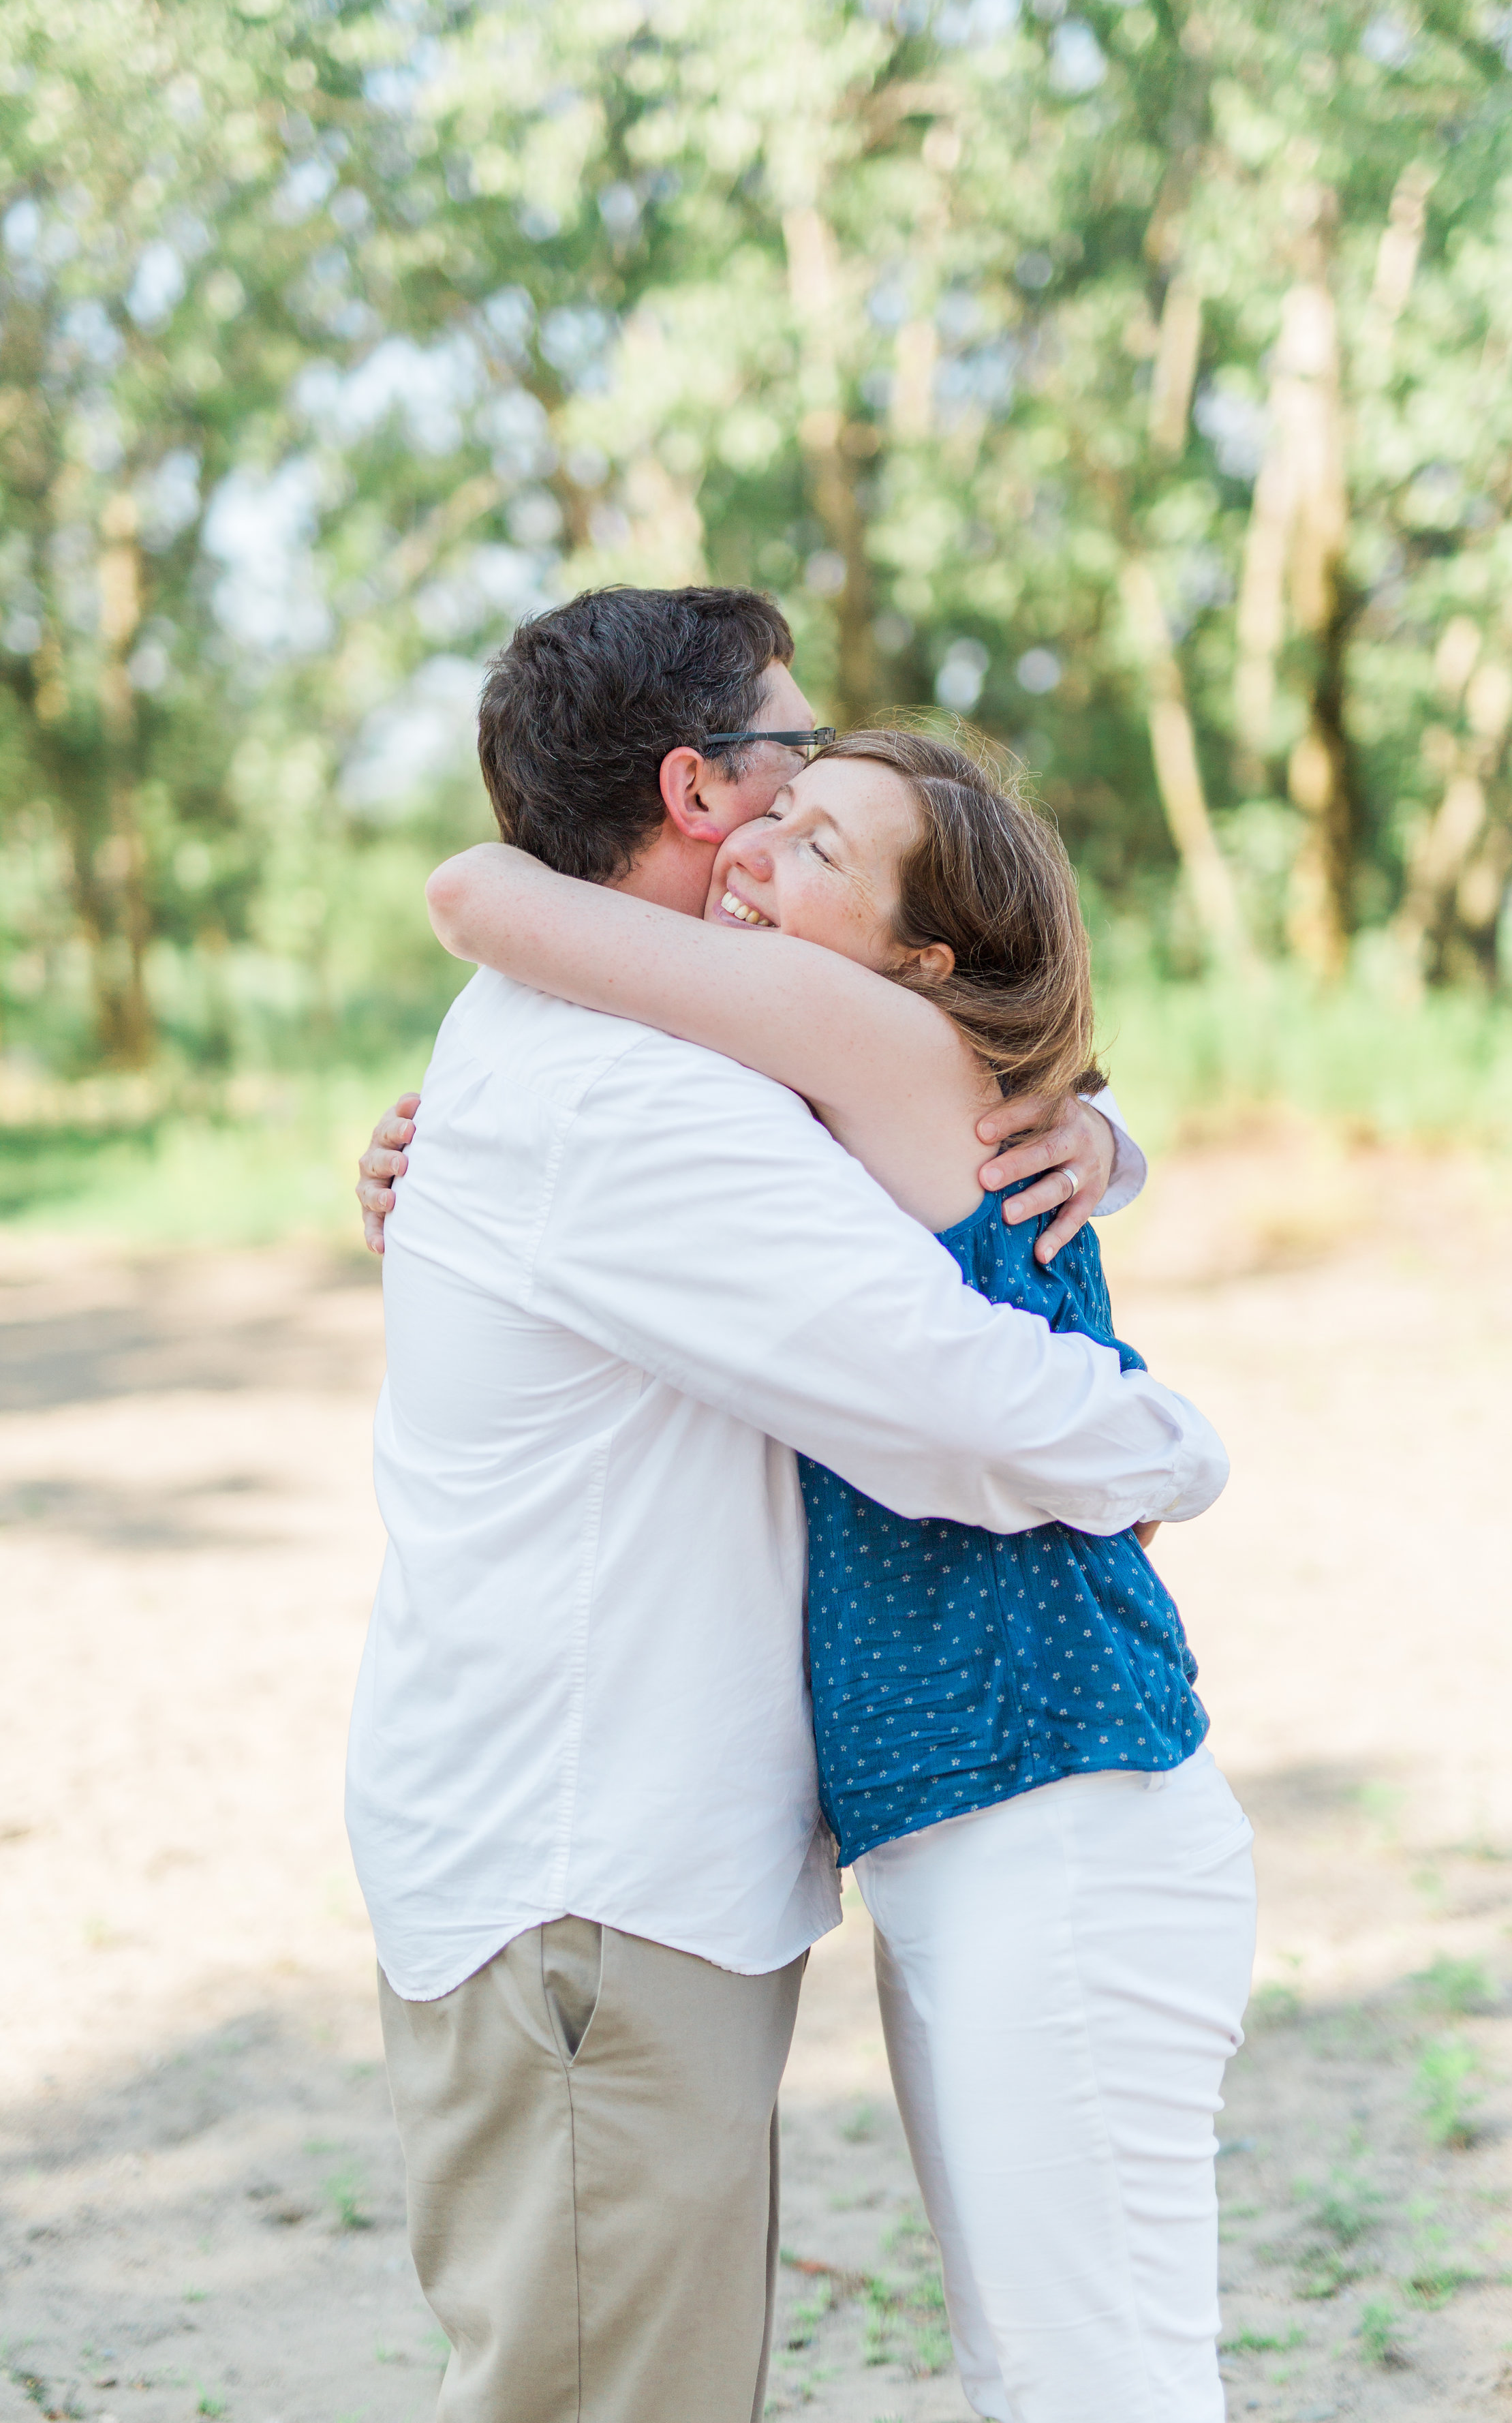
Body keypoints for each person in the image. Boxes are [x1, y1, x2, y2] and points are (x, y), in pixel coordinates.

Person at [347, 585, 1229, 2423]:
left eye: (833, 817)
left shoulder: (683, 1049)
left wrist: (1105, 1146)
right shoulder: (635, 1083)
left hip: (1002, 1796)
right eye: (792, 771)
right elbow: (939, 1401)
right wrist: (1166, 1450)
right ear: (699, 790)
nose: (798, 796)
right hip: (607, 1875)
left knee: (1072, 2375)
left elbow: (957, 1130)